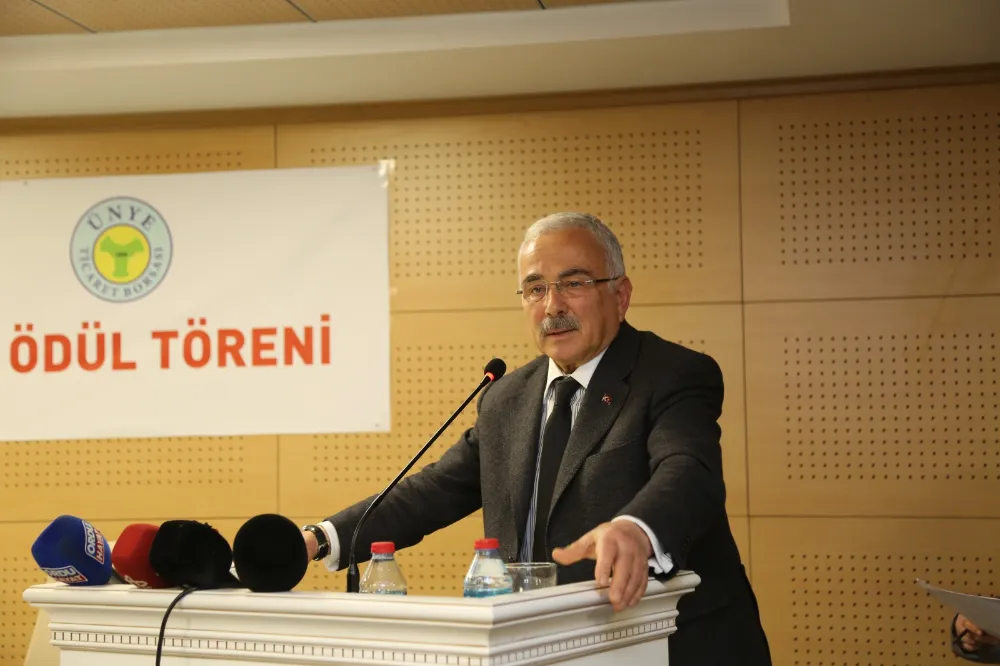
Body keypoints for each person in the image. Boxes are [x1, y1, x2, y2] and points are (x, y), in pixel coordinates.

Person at [301, 212, 772, 665]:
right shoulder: (506, 397)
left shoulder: (672, 374)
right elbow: (435, 490)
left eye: (574, 283)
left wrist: (636, 529)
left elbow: (688, 470)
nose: (553, 306)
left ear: (620, 294)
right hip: (542, 649)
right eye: (535, 288)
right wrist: (318, 539)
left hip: (670, 646)